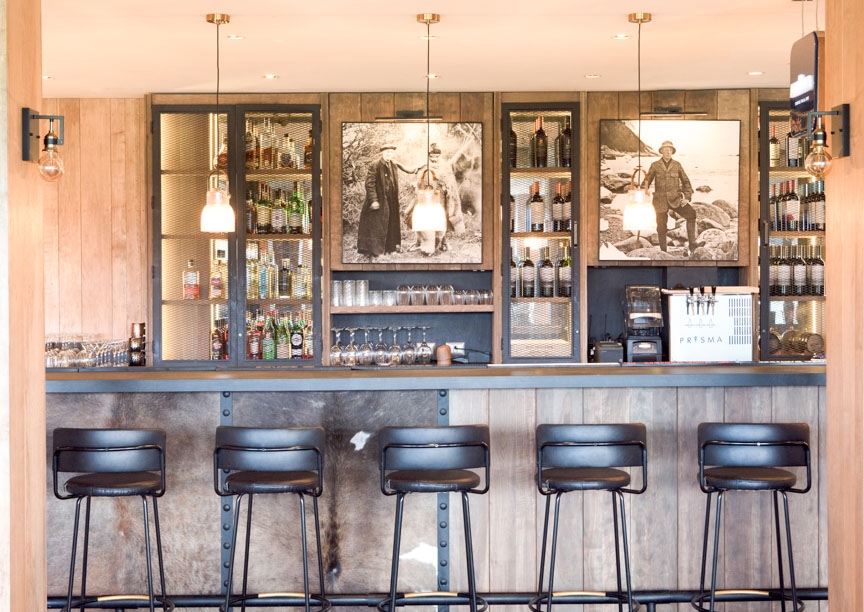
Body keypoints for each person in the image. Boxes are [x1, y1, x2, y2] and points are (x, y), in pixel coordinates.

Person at [406, 143, 465, 256]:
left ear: (439, 156)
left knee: (444, 219)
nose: (434, 158)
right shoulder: (423, 166)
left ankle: (443, 242)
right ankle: (421, 242)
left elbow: (450, 182)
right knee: (425, 219)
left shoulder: (445, 167)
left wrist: (448, 188)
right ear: (428, 156)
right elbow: (418, 181)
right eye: (432, 156)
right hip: (427, 199)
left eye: (436, 156)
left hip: (442, 198)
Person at [640, 140, 697, 256]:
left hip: (675, 199)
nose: (668, 152)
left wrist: (687, 197)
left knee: (691, 214)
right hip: (659, 201)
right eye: (665, 150)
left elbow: (686, 181)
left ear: (672, 152)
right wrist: (641, 193)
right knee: (661, 226)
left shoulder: (677, 165)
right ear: (661, 152)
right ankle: (663, 252)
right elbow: (646, 181)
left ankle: (692, 245)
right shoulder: (655, 165)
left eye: (670, 150)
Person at [356, 144, 407, 258]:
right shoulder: (375, 165)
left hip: (391, 200)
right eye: (387, 152)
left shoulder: (393, 164)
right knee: (377, 226)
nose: (389, 154)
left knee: (391, 224)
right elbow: (369, 184)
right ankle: (376, 252)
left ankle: (391, 248)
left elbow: (407, 170)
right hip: (379, 200)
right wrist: (374, 200)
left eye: (391, 152)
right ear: (382, 153)